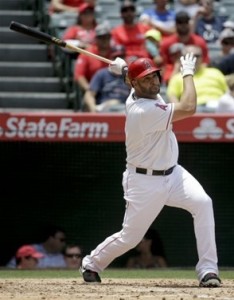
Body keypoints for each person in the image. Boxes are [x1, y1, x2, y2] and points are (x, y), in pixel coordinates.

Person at [80, 51, 222, 287]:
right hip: (144, 181)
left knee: (203, 203)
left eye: (155, 75)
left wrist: (124, 69)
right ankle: (91, 263)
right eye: (147, 79)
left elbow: (133, 77)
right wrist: (187, 73)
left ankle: (208, 270)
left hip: (174, 173)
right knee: (131, 237)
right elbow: (189, 107)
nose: (154, 81)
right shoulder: (142, 110)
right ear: (134, 84)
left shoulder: (138, 89)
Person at [167, 45, 228, 112]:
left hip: (218, 106)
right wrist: (180, 112)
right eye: (189, 56)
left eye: (196, 56)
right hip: (192, 110)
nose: (193, 59)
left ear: (202, 57)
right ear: (183, 58)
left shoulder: (215, 72)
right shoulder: (177, 77)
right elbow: (172, 96)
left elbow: (228, 91)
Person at [83, 46, 130, 112]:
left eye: (122, 57)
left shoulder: (129, 75)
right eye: (115, 58)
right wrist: (93, 111)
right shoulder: (101, 73)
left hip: (125, 108)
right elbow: (89, 95)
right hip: (105, 108)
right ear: (110, 59)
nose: (119, 61)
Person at [73, 21, 115, 93]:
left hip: (115, 90)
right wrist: (89, 90)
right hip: (95, 91)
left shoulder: (116, 52)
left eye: (107, 37)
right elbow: (79, 76)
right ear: (96, 38)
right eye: (101, 37)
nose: (104, 40)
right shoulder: (87, 53)